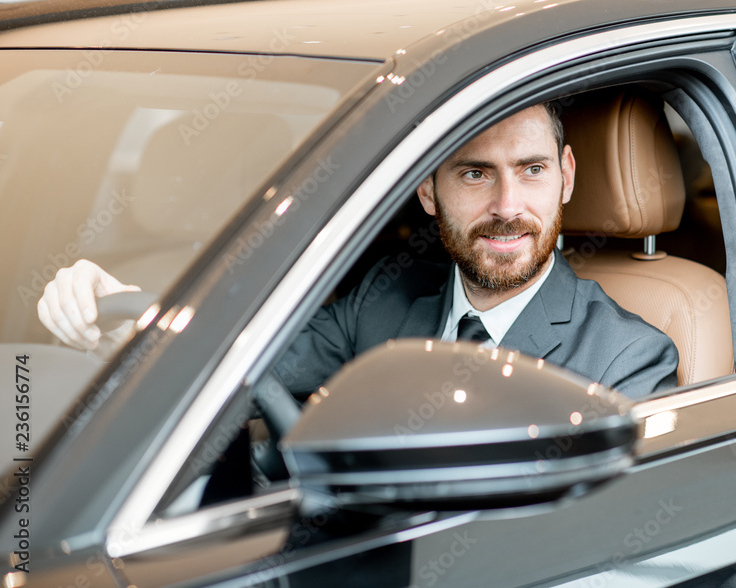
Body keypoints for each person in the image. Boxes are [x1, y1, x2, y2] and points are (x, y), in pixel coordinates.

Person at [37, 103, 678, 398]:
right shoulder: (383, 296)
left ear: (566, 175)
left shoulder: (626, 358)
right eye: (475, 174)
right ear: (428, 190)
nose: (508, 205)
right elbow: (231, 361)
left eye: (531, 170)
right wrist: (112, 311)